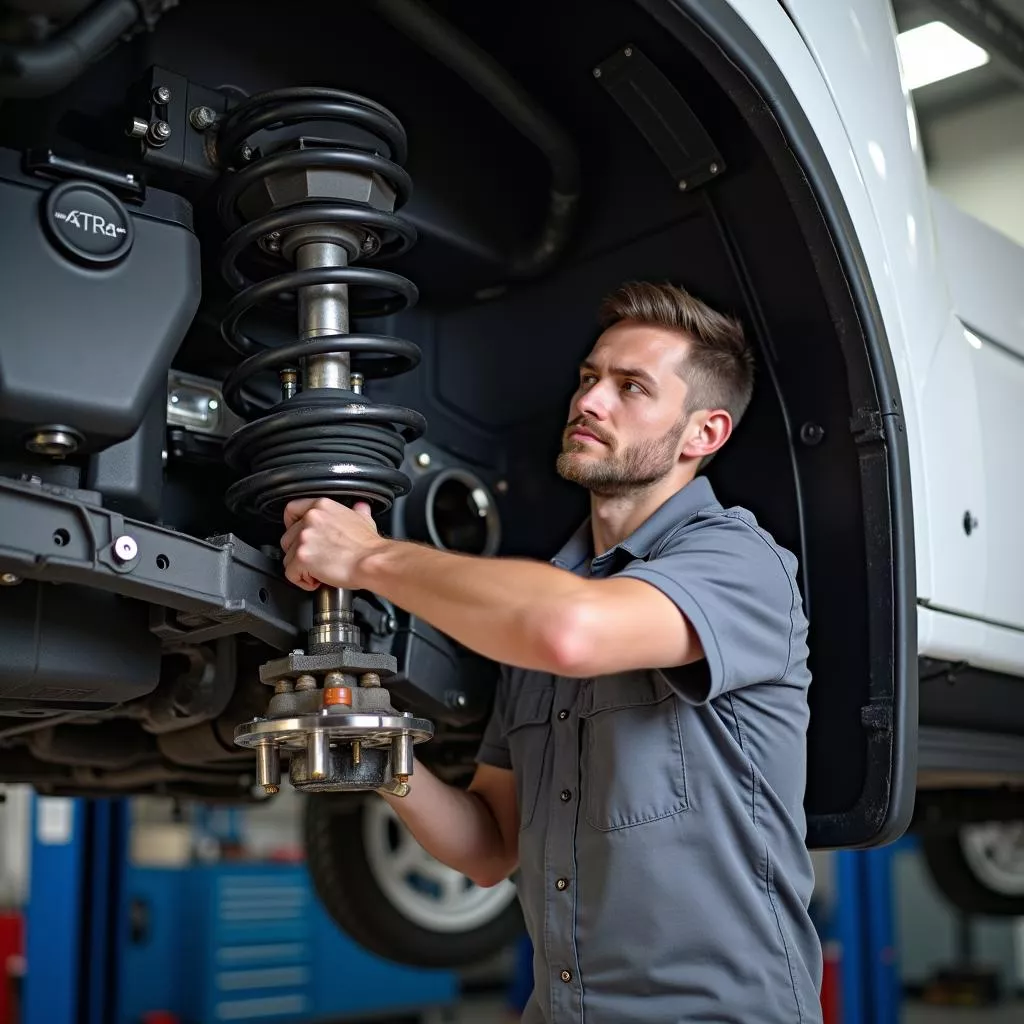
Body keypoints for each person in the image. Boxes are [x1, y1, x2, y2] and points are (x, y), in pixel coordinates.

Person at [278, 281, 823, 1024]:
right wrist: (382, 757)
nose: (591, 402)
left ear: (705, 434)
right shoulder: (542, 596)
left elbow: (571, 634)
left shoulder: (739, 562)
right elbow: (490, 847)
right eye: (590, 378)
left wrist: (367, 558)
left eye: (631, 387)